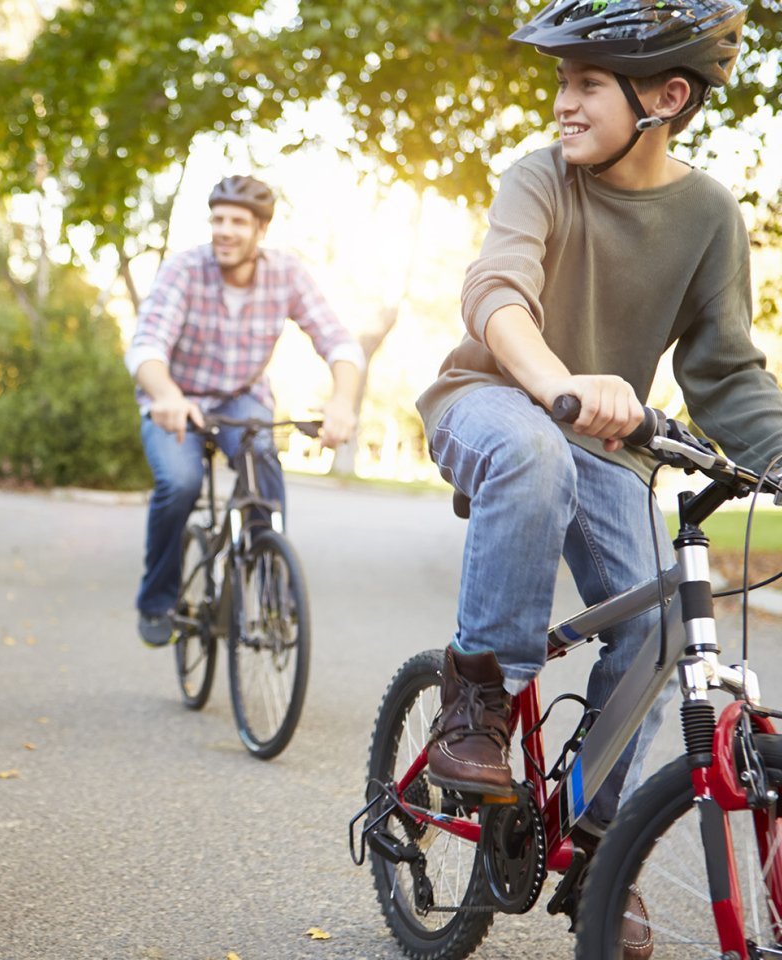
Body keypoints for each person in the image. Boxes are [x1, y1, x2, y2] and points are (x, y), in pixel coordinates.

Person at [416, 0, 776, 953]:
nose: (564, 106)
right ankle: (479, 705)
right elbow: (496, 290)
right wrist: (559, 382)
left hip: (605, 440)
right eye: (561, 84)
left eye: (586, 85)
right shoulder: (539, 176)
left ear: (665, 97)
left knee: (661, 628)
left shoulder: (706, 214)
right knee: (532, 450)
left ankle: (593, 848)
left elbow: (727, 374)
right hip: (493, 403)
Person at [126, 175, 363, 647]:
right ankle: (157, 599)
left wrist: (342, 401)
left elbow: (339, 342)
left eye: (237, 221)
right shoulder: (184, 270)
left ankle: (273, 592)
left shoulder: (286, 273)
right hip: (179, 399)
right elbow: (146, 347)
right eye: (217, 219)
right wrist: (167, 395)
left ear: (261, 231)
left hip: (242, 395)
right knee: (181, 483)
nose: (224, 230)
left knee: (263, 468)